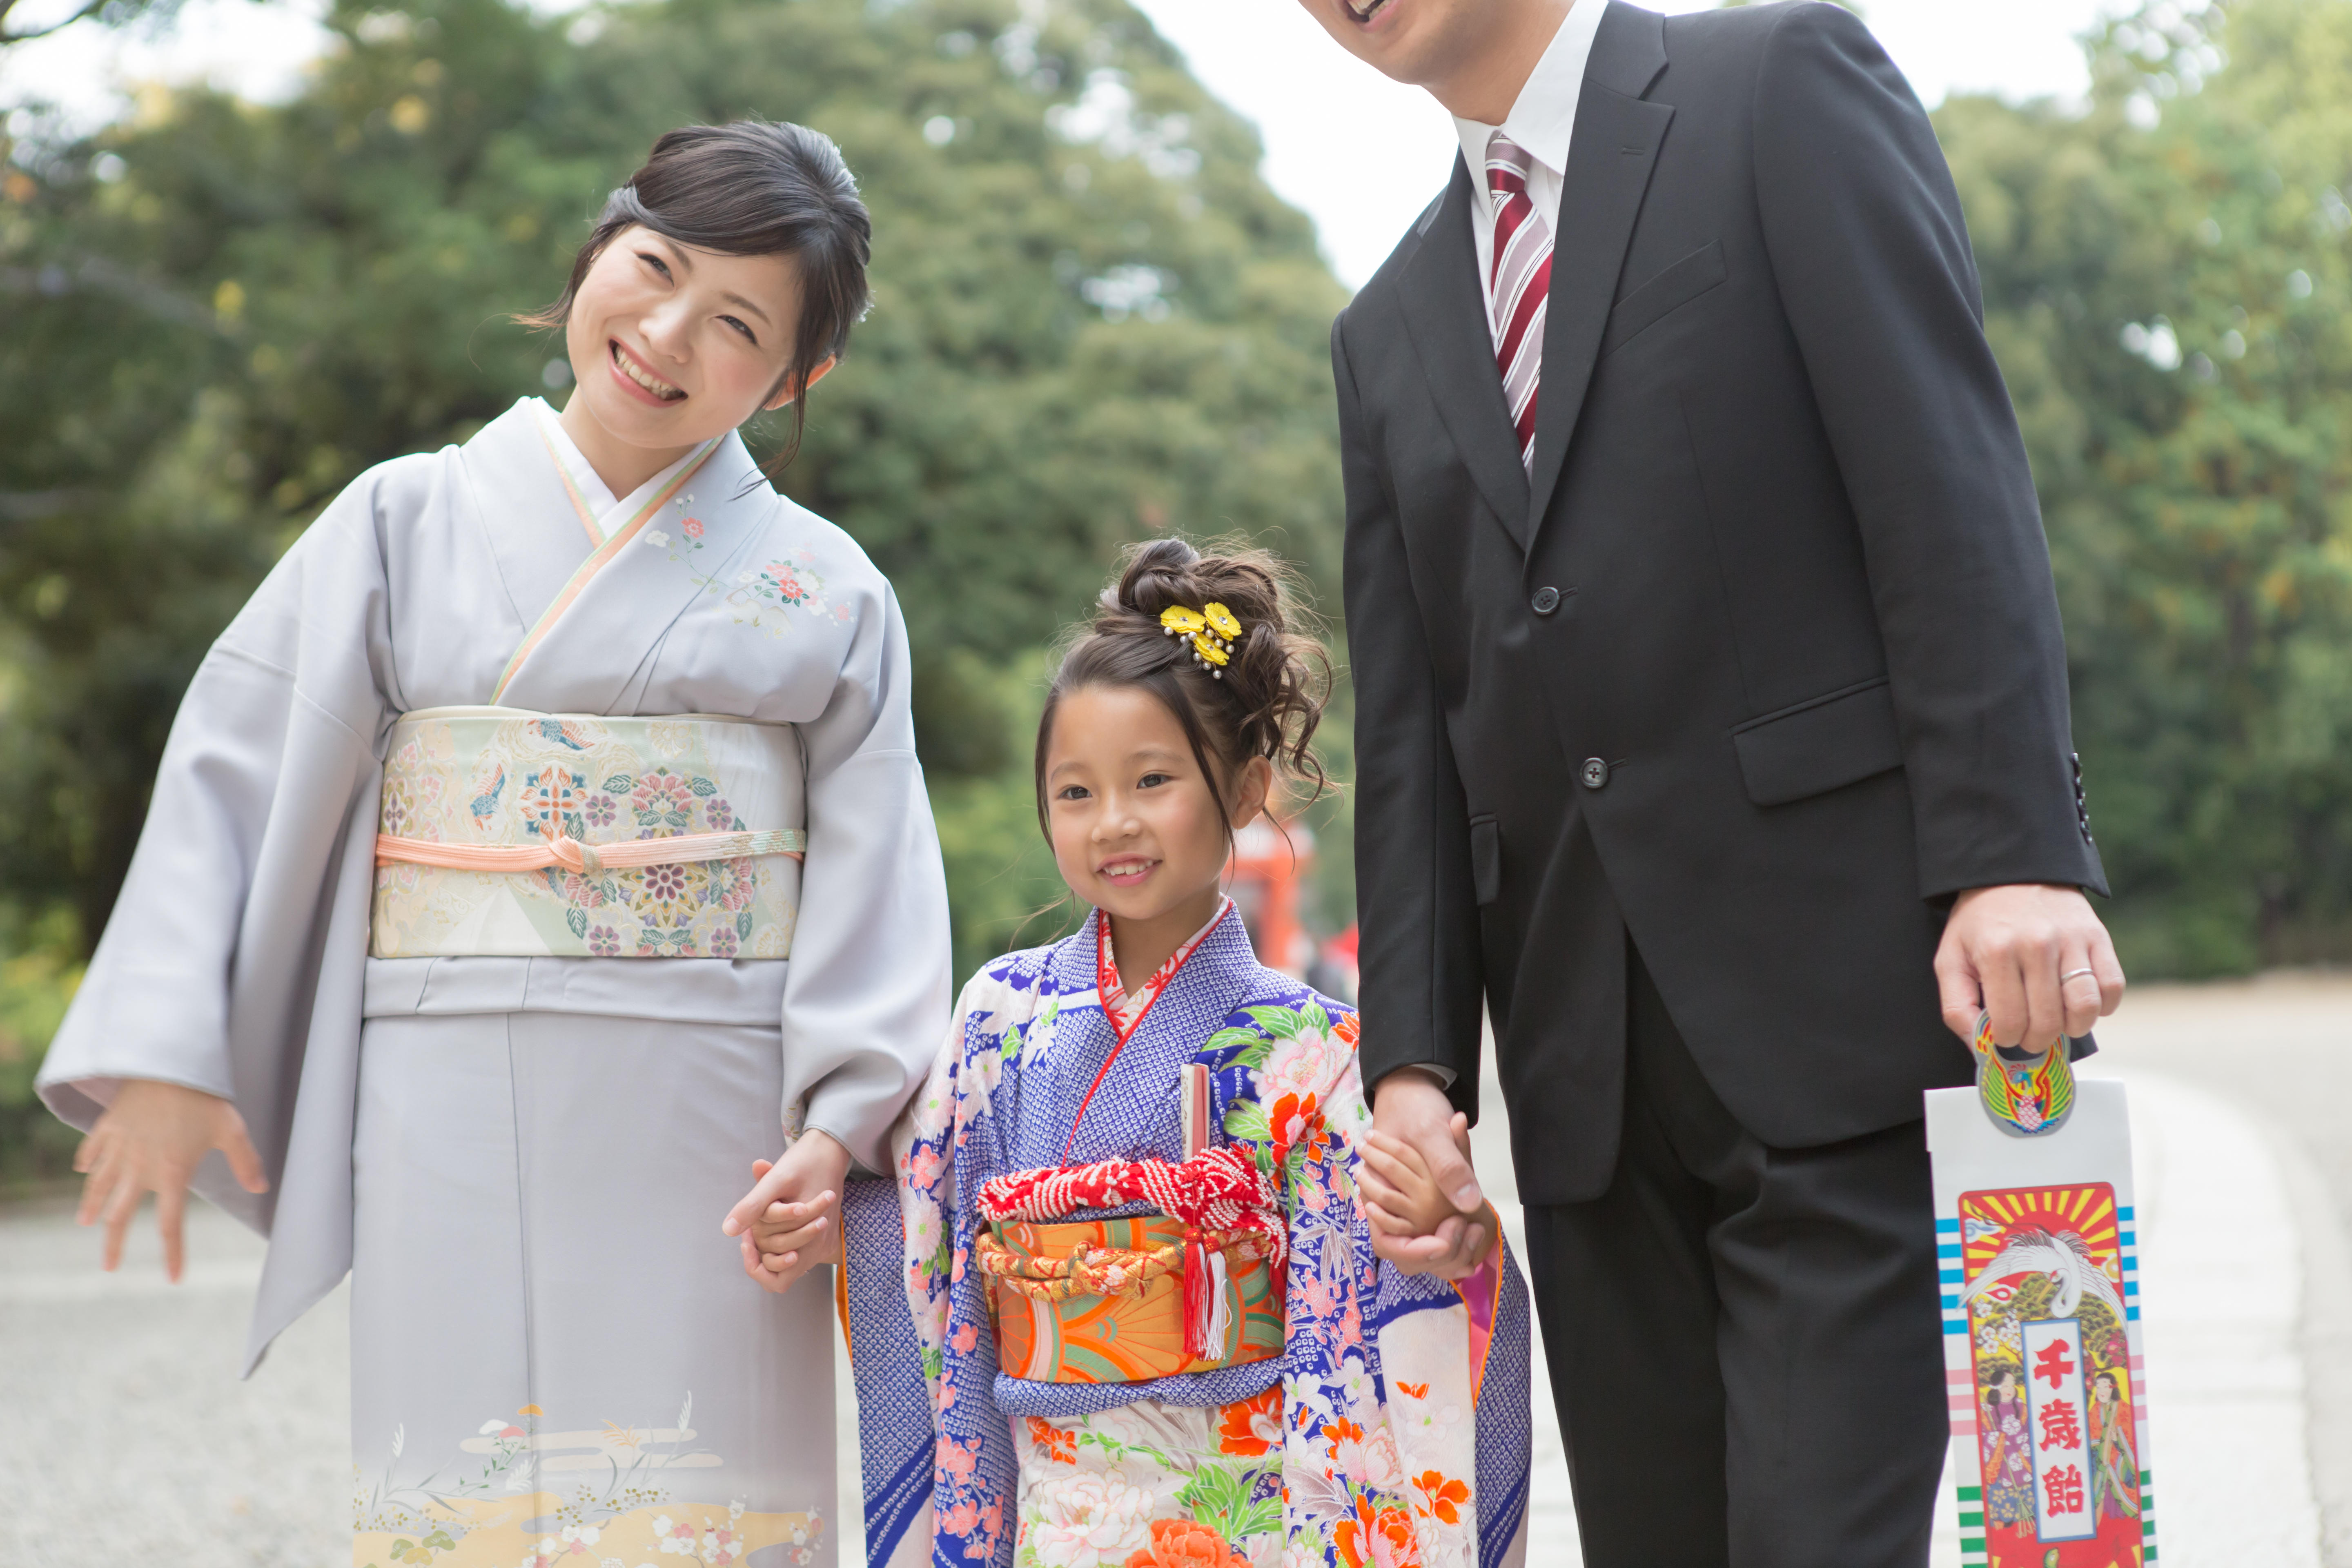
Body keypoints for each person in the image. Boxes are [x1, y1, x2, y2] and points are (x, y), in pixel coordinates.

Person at [38, 120, 950, 1566]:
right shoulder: (402, 519)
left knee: (696, 1501)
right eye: (650, 268)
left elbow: (877, 871)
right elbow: (238, 763)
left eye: (734, 324)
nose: (660, 333)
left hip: (713, 1115)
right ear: (597, 251)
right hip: (440, 1081)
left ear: (794, 378)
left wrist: (843, 1129)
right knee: (459, 1488)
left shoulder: (827, 591)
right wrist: (166, 1046)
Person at [1292, 1, 2128, 1563]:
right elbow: (1415, 735)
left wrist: (2013, 850)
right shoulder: (1387, 323)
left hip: (1839, 1016)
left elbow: (1942, 478)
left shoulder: (1774, 88)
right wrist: (1416, 1066)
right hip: (1586, 1095)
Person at [753, 539, 1532, 1568]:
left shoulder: (1321, 1054)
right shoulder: (999, 1017)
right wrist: (843, 1235)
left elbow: (1364, 1313)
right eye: (1074, 793)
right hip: (1055, 1512)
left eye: (1153, 779)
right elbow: (928, 1228)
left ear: (1248, 788)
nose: (1112, 822)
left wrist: (1442, 1235)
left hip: (1242, 1515)